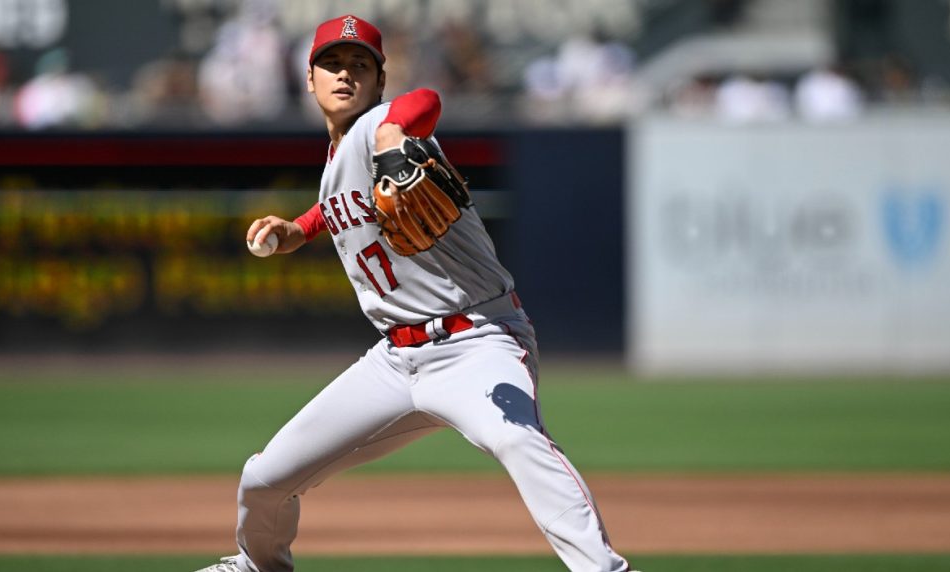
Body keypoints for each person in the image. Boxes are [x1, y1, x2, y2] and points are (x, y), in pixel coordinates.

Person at [194, 14, 636, 572]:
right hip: (395, 360)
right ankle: (260, 565)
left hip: (478, 339)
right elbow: (338, 206)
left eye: (361, 65)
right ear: (309, 78)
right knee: (264, 477)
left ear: (379, 82)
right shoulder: (336, 160)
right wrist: (297, 231)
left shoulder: (381, 126)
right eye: (332, 64)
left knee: (517, 439)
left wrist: (392, 134)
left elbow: (424, 99)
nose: (345, 74)